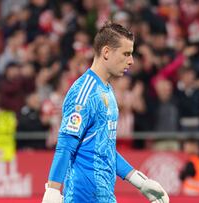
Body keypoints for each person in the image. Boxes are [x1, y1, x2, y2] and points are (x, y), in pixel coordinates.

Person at [42, 22, 169, 203]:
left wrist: (140, 181)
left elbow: (104, 149)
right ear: (106, 52)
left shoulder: (107, 91)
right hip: (82, 198)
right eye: (126, 54)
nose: (131, 61)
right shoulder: (83, 93)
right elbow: (65, 145)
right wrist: (53, 190)